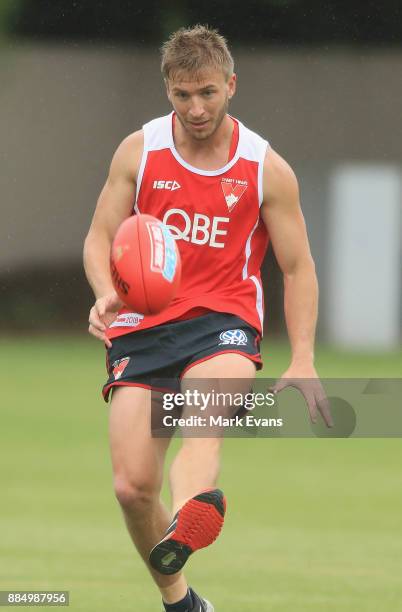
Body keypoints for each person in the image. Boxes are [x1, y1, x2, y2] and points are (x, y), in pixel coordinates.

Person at [83, 24, 332, 612]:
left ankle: (197, 508)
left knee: (203, 412)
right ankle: (181, 600)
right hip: (142, 326)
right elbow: (99, 236)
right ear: (167, 89)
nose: (196, 108)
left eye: (208, 93)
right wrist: (104, 292)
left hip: (223, 321)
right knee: (131, 487)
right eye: (183, 95)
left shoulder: (264, 167)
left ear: (231, 86)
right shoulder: (139, 151)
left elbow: (298, 269)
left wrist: (302, 358)